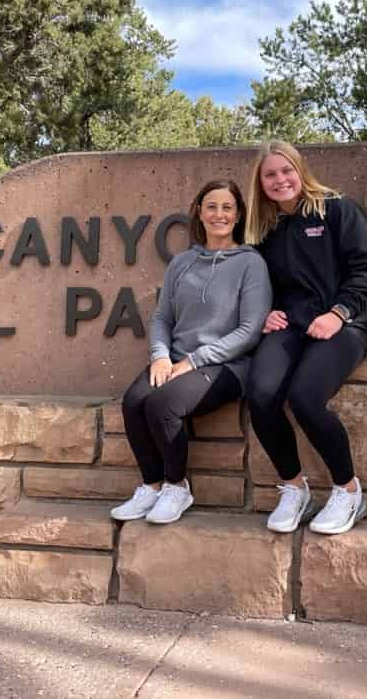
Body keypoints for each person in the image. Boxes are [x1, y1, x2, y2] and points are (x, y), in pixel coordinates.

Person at [245, 141, 367, 535]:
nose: (280, 180)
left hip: (343, 324)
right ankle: (294, 488)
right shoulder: (263, 229)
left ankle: (348, 490)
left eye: (286, 170)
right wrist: (264, 312)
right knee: (260, 394)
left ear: (300, 170)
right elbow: (256, 283)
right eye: (270, 174)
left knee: (305, 398)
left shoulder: (336, 210)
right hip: (290, 326)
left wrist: (338, 313)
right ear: (260, 182)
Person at [111, 179, 272, 525]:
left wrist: (194, 361)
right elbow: (162, 317)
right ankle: (152, 486)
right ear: (199, 212)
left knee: (162, 404)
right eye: (211, 207)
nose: (219, 214)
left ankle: (176, 486)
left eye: (227, 207)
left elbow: (250, 330)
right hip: (175, 358)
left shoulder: (251, 263)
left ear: (238, 215)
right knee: (134, 401)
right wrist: (159, 355)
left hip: (227, 365)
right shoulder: (181, 263)